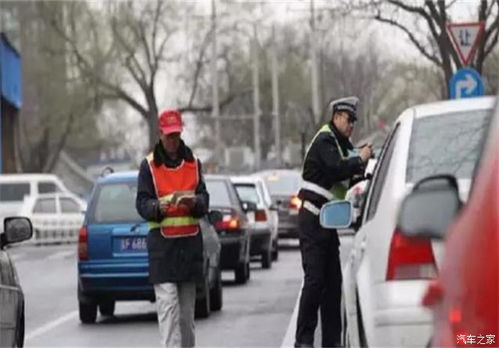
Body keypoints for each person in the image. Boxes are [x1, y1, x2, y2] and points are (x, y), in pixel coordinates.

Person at [295, 96, 373, 348]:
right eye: (349, 119)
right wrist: (358, 159)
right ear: (337, 116)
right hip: (312, 218)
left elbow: (344, 178)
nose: (351, 125)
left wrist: (363, 171)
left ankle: (332, 342)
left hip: (327, 222)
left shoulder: (341, 144)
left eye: (354, 122)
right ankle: (303, 341)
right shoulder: (325, 139)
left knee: (333, 286)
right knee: (315, 281)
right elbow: (335, 169)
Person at [136, 109, 209, 348]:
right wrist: (158, 208)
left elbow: (204, 200)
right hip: (163, 251)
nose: (173, 141)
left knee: (187, 317)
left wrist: (195, 203)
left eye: (176, 135)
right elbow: (142, 203)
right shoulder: (148, 166)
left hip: (189, 249)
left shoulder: (194, 164)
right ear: (160, 134)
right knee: (168, 312)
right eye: (169, 136)